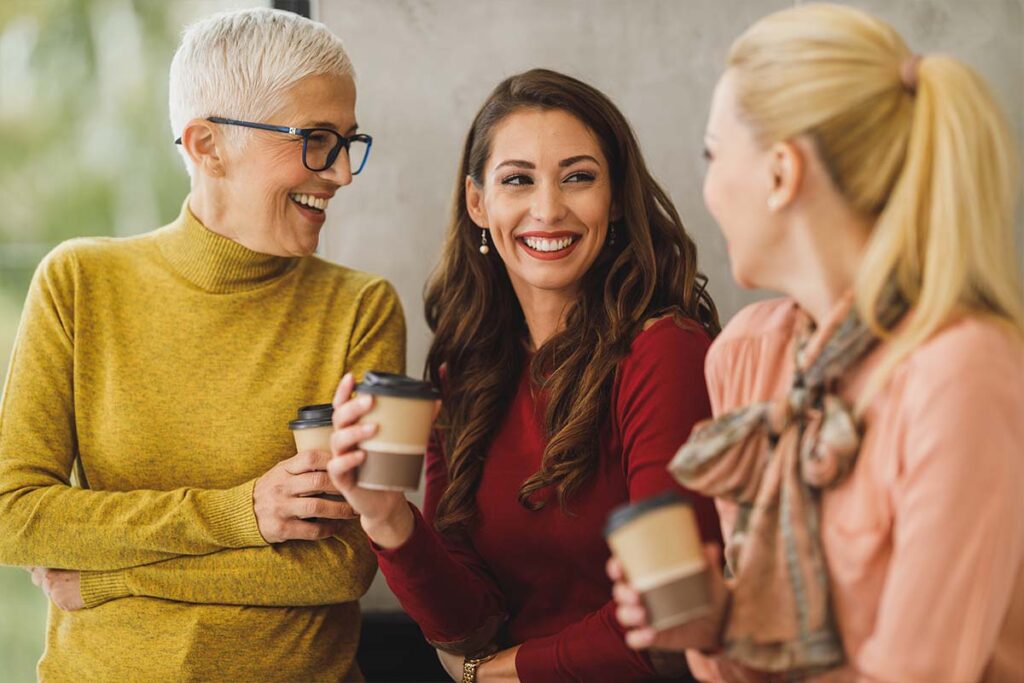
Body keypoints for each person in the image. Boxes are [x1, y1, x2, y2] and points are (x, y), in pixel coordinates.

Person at [610, 4, 1024, 682]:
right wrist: (719, 626)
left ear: (780, 174)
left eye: (712, 154)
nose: (705, 188)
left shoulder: (963, 370)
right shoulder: (745, 355)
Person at [0, 8, 403, 681]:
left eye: (348, 142)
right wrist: (239, 512)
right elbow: (17, 515)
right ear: (207, 144)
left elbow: (345, 563)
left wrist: (104, 579)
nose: (342, 174)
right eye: (316, 140)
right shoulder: (78, 283)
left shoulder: (360, 309)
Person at [328, 68, 722, 682]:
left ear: (615, 198)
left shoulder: (664, 353)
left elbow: (671, 618)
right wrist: (386, 518)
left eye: (578, 178)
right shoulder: (466, 370)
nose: (548, 209)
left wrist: (492, 674)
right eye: (518, 180)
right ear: (478, 203)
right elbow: (470, 622)